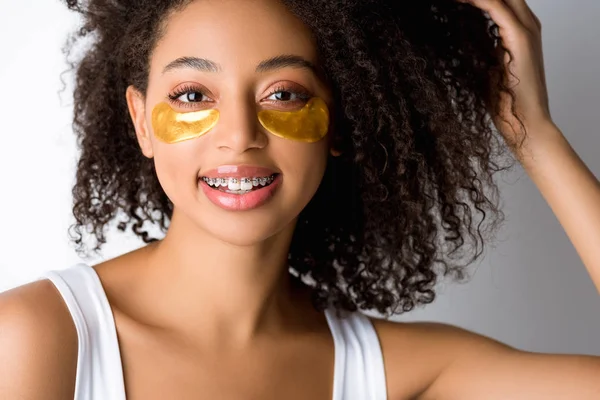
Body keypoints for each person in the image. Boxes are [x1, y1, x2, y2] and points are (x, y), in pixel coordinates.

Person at [1, 0, 599, 398]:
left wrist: (534, 135)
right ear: (141, 123)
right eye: (191, 94)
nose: (239, 134)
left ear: (338, 122)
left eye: (283, 93)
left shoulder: (393, 369)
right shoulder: (37, 337)